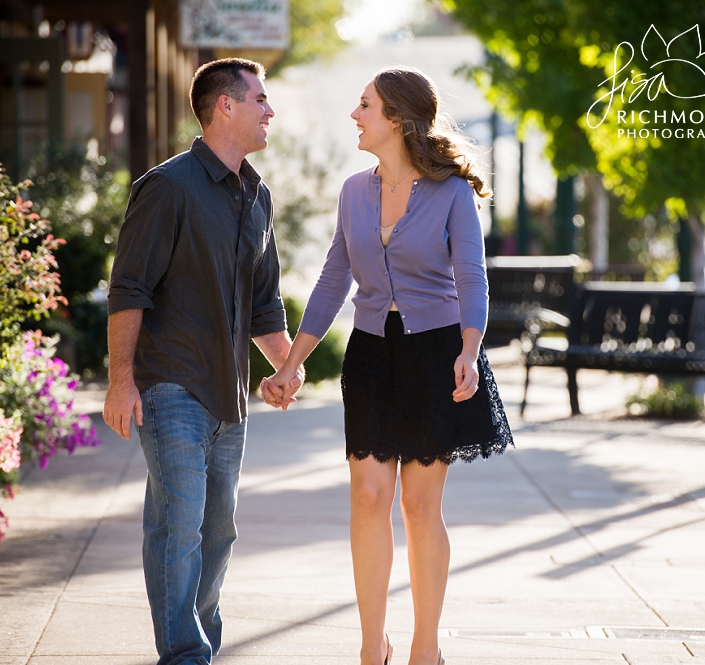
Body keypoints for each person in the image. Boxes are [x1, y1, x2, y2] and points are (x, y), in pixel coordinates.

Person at [264, 66, 514, 665]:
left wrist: (470, 351)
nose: (355, 115)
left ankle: (425, 647)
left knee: (420, 506)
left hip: (436, 354)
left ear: (397, 119)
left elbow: (471, 277)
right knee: (368, 498)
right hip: (372, 355)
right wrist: (292, 363)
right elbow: (331, 280)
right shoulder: (354, 191)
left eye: (365, 105)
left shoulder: (452, 192)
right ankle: (370, 646)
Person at [103, 58, 303, 665]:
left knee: (218, 534)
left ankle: (200, 642)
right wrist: (120, 382)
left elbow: (264, 300)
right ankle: (186, 655)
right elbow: (129, 287)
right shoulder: (168, 187)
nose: (271, 111)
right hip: (170, 388)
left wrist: (286, 366)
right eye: (261, 100)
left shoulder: (256, 194)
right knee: (179, 529)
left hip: (229, 396)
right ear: (226, 106)